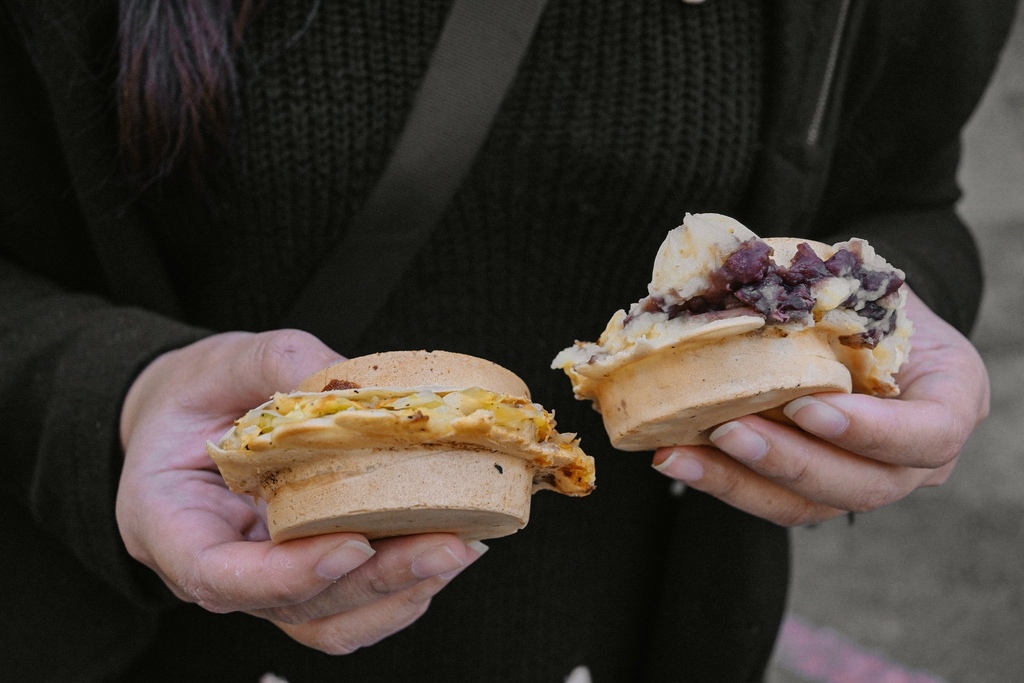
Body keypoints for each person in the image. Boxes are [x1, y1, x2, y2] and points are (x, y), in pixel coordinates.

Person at [1, 0, 1012, 681]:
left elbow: (904, 194)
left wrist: (892, 324)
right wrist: (107, 397)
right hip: (139, 635)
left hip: (655, 633)